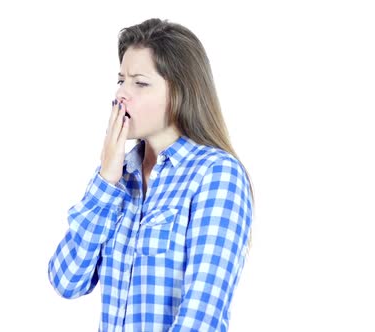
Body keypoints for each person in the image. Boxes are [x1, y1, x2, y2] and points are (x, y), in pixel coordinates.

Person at [48, 18, 254, 332]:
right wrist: (106, 180)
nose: (121, 95)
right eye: (120, 80)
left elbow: (201, 317)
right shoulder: (118, 178)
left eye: (139, 83)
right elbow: (67, 280)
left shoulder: (216, 175)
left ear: (180, 92)